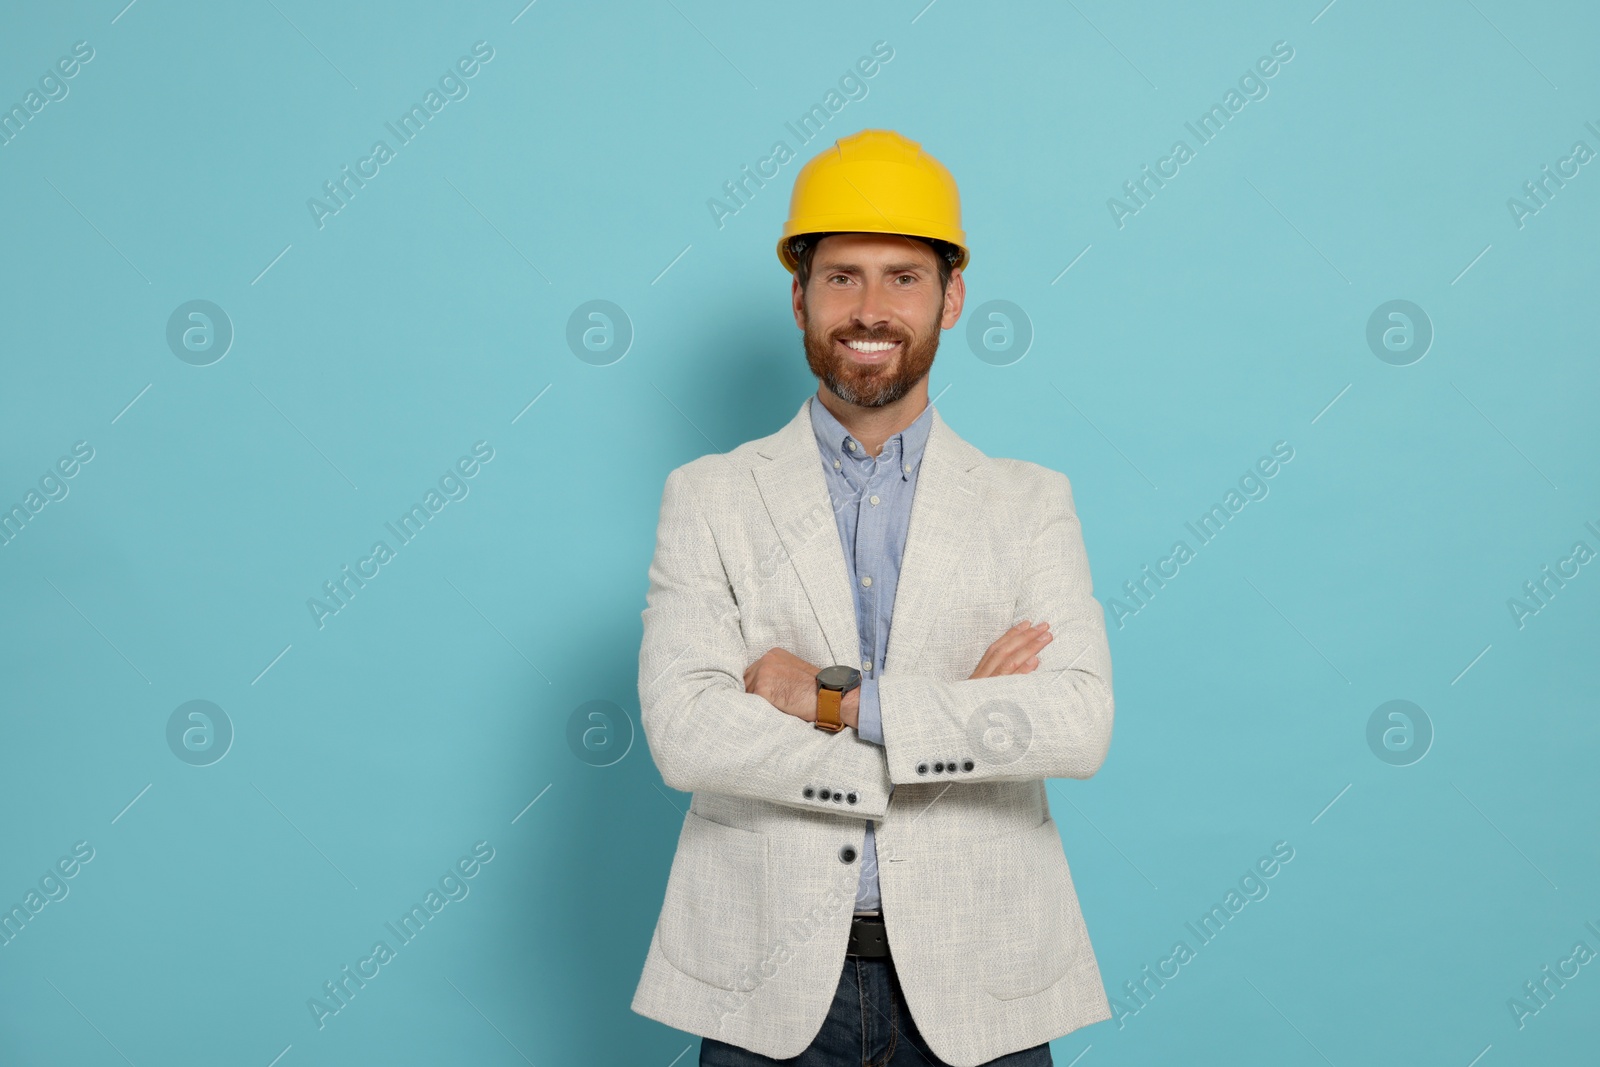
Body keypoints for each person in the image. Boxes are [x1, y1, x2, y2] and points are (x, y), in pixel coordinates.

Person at [631, 128, 1115, 1067]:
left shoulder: (1030, 500)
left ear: (953, 296)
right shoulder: (710, 495)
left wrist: (834, 700)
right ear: (800, 296)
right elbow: (686, 730)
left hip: (984, 985)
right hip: (764, 990)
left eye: (903, 276)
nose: (871, 307)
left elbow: (1078, 721)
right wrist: (956, 720)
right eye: (843, 275)